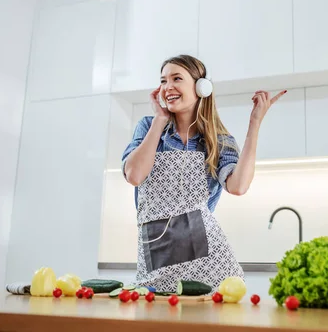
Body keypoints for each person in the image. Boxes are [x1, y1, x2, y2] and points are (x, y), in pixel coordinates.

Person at [121, 54, 286, 293]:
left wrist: (255, 122)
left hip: (205, 255)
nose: (168, 87)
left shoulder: (218, 140)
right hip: (157, 250)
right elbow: (134, 175)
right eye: (163, 81)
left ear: (201, 87)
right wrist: (160, 119)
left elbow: (238, 186)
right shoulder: (149, 127)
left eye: (176, 78)